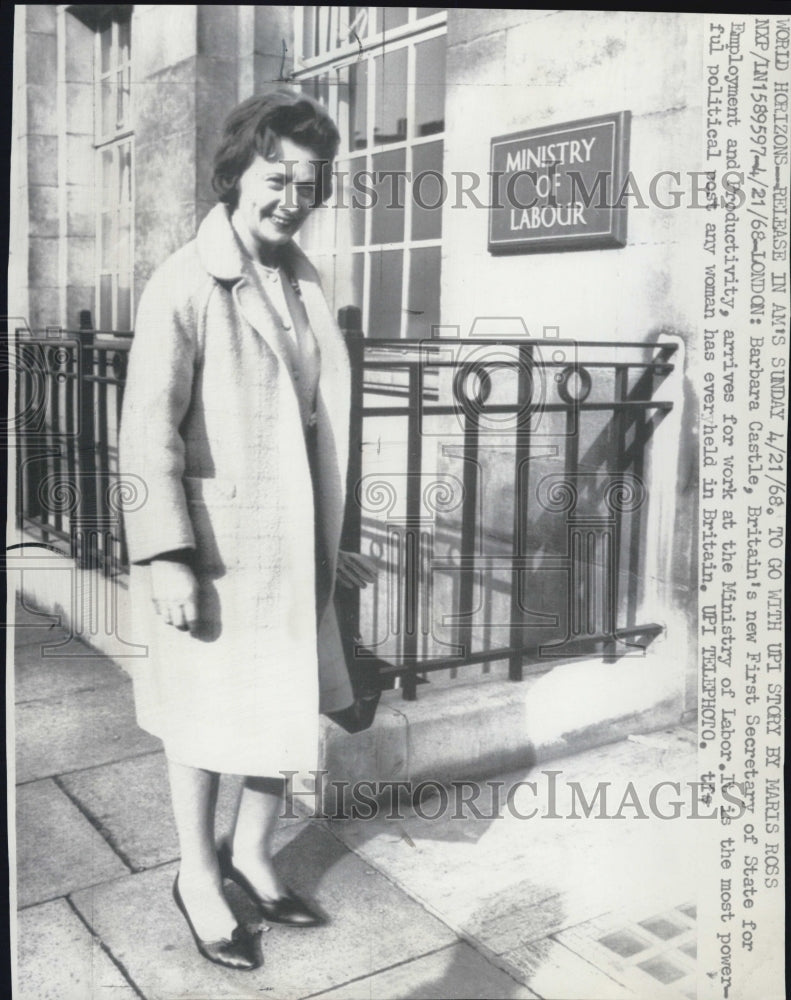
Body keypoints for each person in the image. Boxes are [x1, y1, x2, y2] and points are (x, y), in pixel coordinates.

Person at [119, 90, 376, 972]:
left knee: (283, 703)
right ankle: (197, 875)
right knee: (200, 720)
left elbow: (314, 425)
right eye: (277, 178)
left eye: (310, 182)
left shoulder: (304, 281)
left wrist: (334, 537)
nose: (293, 198)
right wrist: (166, 557)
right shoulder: (183, 281)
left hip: (293, 548)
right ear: (236, 174)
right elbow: (146, 430)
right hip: (215, 555)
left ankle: (254, 857)